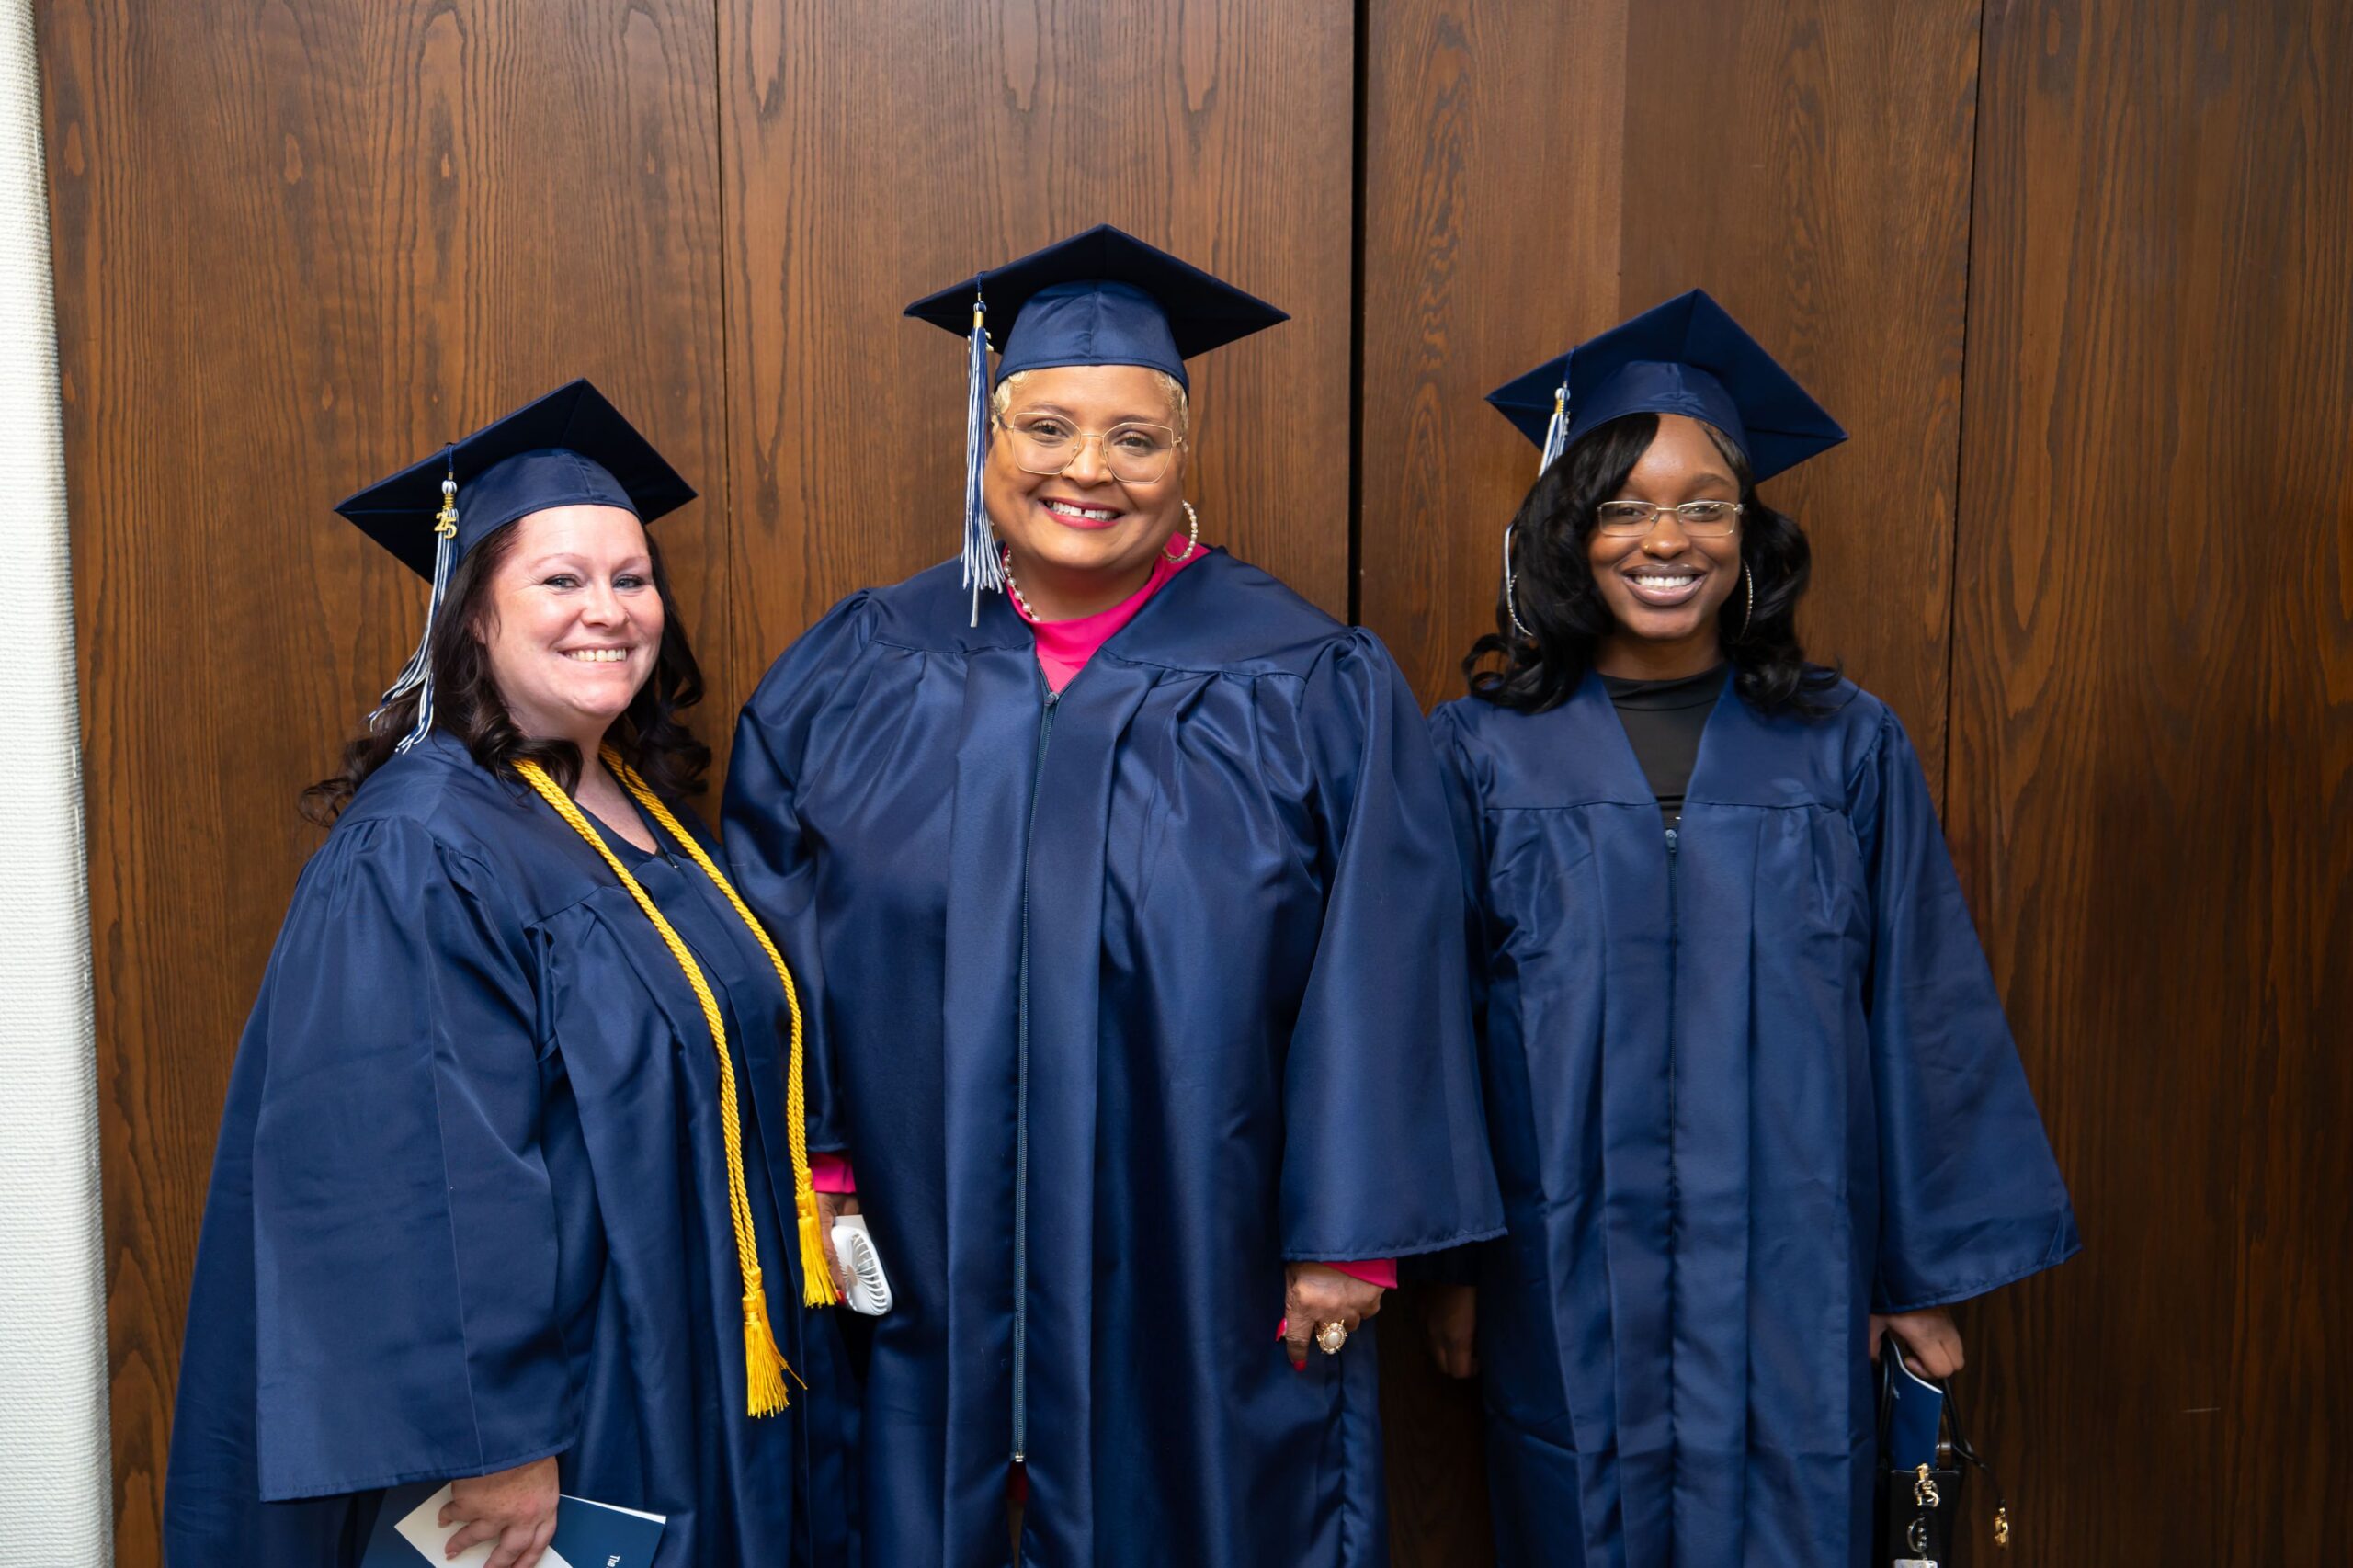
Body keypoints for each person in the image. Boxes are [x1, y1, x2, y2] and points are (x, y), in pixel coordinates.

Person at [723, 225, 1503, 1566]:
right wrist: (823, 1166)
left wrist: (1352, 1235)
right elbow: (770, 934)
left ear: (1184, 454)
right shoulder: (860, 669)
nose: (1088, 469)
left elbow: (1383, 957)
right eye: (1047, 427)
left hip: (1200, 1242)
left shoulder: (1307, 682)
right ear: (987, 436)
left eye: (1135, 438)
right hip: (915, 1242)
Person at [1425, 292, 2079, 1566]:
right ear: (1569, 530)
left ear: (1749, 531)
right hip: (1560, 1273)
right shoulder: (1480, 754)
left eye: (1706, 504)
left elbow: (1920, 1009)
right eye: (1622, 505)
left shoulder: (1845, 746)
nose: (1666, 538)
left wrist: (1915, 1276)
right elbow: (1428, 1027)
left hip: (1797, 1273)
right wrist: (1453, 1269)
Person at [164, 381, 844, 1568]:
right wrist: (494, 1439)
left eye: (632, 578)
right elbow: (414, 1163)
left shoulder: (640, 811)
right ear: (472, 612)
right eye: (561, 580)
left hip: (690, 1355)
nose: (608, 611)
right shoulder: (423, 842)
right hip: (568, 1402)